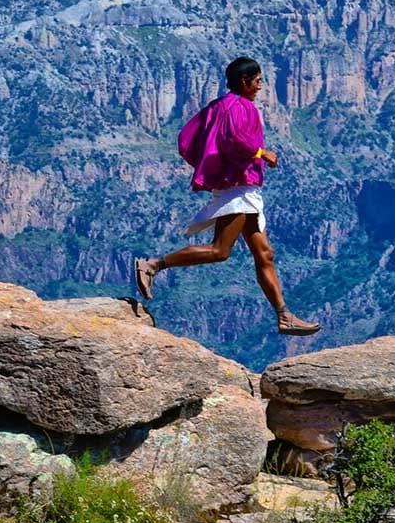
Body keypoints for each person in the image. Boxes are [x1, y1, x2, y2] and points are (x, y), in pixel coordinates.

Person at [133, 56, 321, 336]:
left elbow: (188, 139)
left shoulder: (218, 106)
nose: (260, 87)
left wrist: (209, 164)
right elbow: (234, 140)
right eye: (257, 81)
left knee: (264, 253)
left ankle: (284, 316)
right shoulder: (239, 107)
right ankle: (153, 265)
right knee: (220, 250)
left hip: (241, 187)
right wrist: (261, 153)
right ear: (244, 82)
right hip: (238, 188)